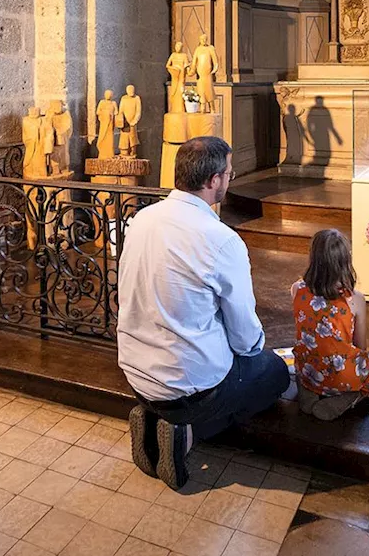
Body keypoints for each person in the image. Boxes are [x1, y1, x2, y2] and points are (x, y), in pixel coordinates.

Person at [118, 137, 288, 489]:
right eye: (228, 173)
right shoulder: (220, 239)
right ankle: (187, 432)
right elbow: (245, 338)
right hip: (189, 387)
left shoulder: (140, 220)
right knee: (273, 373)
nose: (230, 178)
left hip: (134, 373)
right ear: (213, 181)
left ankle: (155, 418)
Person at [291, 229, 369, 421]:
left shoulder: (296, 289)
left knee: (308, 360)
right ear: (345, 262)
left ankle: (308, 391)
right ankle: (351, 397)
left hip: (309, 370)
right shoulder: (355, 299)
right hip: (340, 377)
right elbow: (360, 346)